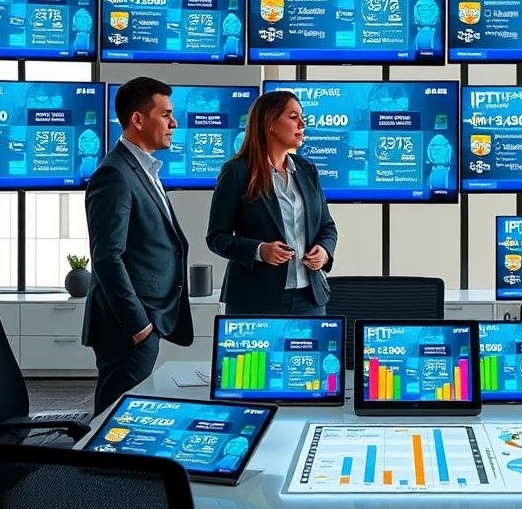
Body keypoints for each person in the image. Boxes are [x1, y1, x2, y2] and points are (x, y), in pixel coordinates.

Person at [83, 76, 193, 415]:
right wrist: (139, 325)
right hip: (127, 326)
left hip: (146, 319)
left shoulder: (143, 168)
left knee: (127, 413)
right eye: (166, 114)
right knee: (115, 416)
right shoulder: (115, 174)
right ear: (138, 119)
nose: (174, 123)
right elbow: (107, 258)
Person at [206, 90, 337, 315]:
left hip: (309, 299)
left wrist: (324, 251)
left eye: (302, 117)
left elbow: (327, 226)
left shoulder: (307, 170)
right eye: (293, 117)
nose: (302, 124)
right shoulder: (236, 172)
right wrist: (259, 250)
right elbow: (216, 237)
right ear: (270, 123)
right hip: (255, 299)